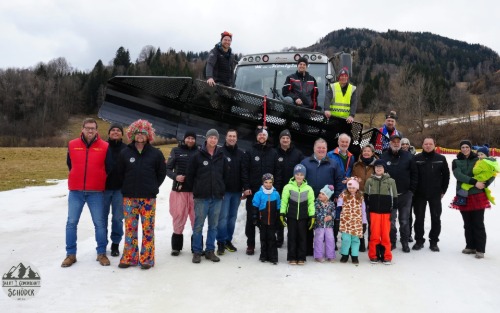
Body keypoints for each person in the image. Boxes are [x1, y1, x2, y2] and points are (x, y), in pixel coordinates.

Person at [116, 119, 167, 269]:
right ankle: (129, 258)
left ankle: (146, 258)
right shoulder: (125, 153)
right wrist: (126, 187)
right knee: (130, 228)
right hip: (129, 198)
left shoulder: (156, 154)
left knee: (148, 229)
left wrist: (153, 187)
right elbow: (120, 173)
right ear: (132, 134)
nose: (140, 136)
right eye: (137, 133)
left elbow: (161, 173)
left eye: (143, 133)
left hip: (148, 199)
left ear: (148, 135)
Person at [61, 118, 111, 268]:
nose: (90, 131)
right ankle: (71, 254)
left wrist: (98, 178)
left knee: (100, 224)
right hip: (76, 191)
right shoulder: (72, 145)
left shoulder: (105, 146)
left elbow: (108, 167)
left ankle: (101, 253)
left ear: (97, 130)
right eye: (88, 128)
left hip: (96, 192)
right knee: (71, 223)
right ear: (82, 129)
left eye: (93, 128)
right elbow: (70, 164)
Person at [187, 129, 228, 264]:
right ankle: (197, 251)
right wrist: (197, 191)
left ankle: (210, 250)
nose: (213, 140)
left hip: (216, 197)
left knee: (213, 226)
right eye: (211, 137)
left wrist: (221, 191)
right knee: (198, 225)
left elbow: (225, 176)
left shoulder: (221, 156)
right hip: (201, 198)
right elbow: (190, 175)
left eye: (215, 138)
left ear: (218, 140)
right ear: (206, 139)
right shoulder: (197, 155)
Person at [450, 140, 494, 259]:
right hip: (462, 194)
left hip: (477, 195)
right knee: (467, 223)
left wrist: (484, 184)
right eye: (462, 147)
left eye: (467, 147)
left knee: (478, 222)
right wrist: (475, 182)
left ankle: (480, 248)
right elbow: (458, 175)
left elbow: (491, 172)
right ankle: (470, 246)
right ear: (460, 149)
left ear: (470, 148)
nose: (465, 149)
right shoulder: (456, 161)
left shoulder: (478, 159)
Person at [301, 138, 344, 255]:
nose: (321, 150)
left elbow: (339, 180)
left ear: (326, 149)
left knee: (327, 223)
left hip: (327, 201)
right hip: (309, 199)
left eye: (323, 148)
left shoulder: (333, 164)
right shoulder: (305, 163)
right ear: (314, 148)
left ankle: (328, 248)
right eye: (319, 148)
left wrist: (337, 195)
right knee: (309, 222)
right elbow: (299, 180)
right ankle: (308, 248)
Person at [244, 127, 282, 255]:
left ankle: (268, 244)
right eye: (259, 134)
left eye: (264, 134)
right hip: (254, 192)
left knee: (269, 219)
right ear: (256, 137)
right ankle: (250, 244)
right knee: (251, 218)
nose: (261, 136)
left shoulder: (273, 152)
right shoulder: (250, 151)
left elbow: (278, 171)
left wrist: (275, 188)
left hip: (269, 192)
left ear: (267, 137)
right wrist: (246, 187)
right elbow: (245, 171)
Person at [380, 134, 417, 253]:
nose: (396, 143)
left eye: (398, 142)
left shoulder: (409, 156)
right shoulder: (384, 156)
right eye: (393, 142)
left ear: (401, 143)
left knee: (404, 220)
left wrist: (411, 190)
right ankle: (392, 241)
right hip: (389, 195)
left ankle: (405, 242)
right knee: (391, 220)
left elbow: (414, 174)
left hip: (405, 194)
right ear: (390, 143)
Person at [412, 137, 450, 252]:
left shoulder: (441, 158)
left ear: (434, 145)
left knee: (436, 218)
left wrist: (443, 190)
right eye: (426, 144)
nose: (428, 146)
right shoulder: (416, 158)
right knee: (419, 218)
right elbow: (413, 176)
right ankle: (419, 240)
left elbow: (446, 176)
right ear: (422, 145)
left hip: (435, 194)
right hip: (419, 194)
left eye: (430, 144)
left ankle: (434, 241)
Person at [165, 130, 199, 256]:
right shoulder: (176, 151)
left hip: (195, 191)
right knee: (179, 216)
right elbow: (167, 169)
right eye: (188, 138)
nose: (190, 140)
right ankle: (176, 247)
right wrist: (175, 176)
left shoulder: (199, 152)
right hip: (179, 190)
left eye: (192, 138)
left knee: (196, 218)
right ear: (184, 139)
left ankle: (196, 247)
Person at [217, 129, 249, 255]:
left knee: (232, 218)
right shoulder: (220, 152)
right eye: (229, 136)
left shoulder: (241, 154)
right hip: (224, 192)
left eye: (234, 136)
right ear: (226, 138)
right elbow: (217, 173)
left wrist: (244, 188)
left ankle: (228, 241)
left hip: (236, 192)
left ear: (236, 138)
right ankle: (220, 242)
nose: (231, 138)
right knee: (223, 218)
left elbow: (244, 172)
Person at [364, 159, 398, 265]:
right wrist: (367, 211)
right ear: (374, 169)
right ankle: (373, 255)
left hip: (386, 212)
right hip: (374, 212)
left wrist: (393, 211)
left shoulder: (391, 181)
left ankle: (386, 256)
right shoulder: (370, 181)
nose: (379, 169)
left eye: (381, 167)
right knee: (374, 234)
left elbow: (395, 197)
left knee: (385, 235)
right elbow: (366, 197)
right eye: (377, 167)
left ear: (384, 169)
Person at [280, 164, 315, 265]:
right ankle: (292, 257)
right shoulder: (288, 187)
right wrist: (282, 213)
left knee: (302, 237)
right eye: (297, 174)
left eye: (301, 174)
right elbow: (284, 201)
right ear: (294, 175)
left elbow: (311, 203)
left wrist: (312, 216)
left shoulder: (308, 188)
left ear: (304, 176)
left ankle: (301, 257)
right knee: (292, 236)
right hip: (291, 216)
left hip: (303, 217)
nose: (299, 177)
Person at [327, 133, 356, 250]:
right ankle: (332, 241)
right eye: (342, 142)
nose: (344, 144)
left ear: (349, 144)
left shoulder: (351, 156)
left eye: (346, 142)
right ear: (338, 142)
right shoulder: (330, 154)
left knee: (344, 216)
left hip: (346, 190)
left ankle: (345, 241)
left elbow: (351, 171)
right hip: (334, 189)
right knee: (333, 215)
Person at [276, 129, 304, 247]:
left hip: (293, 190)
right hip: (279, 188)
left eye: (287, 138)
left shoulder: (297, 154)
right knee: (280, 214)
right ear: (280, 139)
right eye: (283, 138)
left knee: (292, 215)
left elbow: (302, 170)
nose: (285, 140)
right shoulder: (274, 153)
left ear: (290, 140)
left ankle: (291, 238)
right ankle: (280, 238)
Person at [103, 123, 127, 257]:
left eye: (118, 130)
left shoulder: (127, 149)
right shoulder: (103, 147)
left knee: (118, 218)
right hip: (103, 189)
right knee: (102, 219)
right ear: (109, 133)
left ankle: (115, 244)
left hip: (120, 189)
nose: (116, 132)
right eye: (113, 130)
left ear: (122, 134)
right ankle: (102, 244)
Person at [351, 143, 378, 252]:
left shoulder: (377, 165)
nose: (366, 153)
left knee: (371, 219)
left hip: (373, 195)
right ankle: (361, 242)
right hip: (359, 195)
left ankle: (371, 242)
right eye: (364, 151)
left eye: (368, 151)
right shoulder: (356, 165)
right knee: (361, 220)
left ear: (372, 153)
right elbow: (352, 179)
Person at [252, 173, 281, 264]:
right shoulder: (259, 194)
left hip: (272, 220)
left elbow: (278, 206)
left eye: (270, 182)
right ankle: (263, 255)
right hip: (263, 220)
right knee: (263, 238)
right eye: (266, 182)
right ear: (263, 183)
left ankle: (273, 256)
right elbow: (255, 206)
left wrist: (279, 218)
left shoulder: (276, 194)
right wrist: (255, 217)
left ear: (272, 182)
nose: (268, 184)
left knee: (272, 238)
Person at [337, 178, 367, 265]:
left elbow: (363, 210)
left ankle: (354, 256)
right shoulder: (343, 195)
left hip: (357, 222)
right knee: (346, 239)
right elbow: (339, 206)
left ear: (357, 188)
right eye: (349, 187)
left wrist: (364, 222)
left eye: (353, 188)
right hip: (346, 222)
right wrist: (338, 218)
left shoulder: (360, 196)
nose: (351, 189)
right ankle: (345, 255)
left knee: (355, 240)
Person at [313, 185, 336, 263]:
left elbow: (334, 212)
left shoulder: (331, 204)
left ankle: (330, 255)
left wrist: (331, 216)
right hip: (319, 225)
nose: (320, 195)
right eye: (320, 193)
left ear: (327, 196)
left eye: (323, 194)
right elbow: (315, 212)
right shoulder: (317, 203)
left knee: (330, 239)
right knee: (318, 240)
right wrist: (323, 217)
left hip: (329, 225)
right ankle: (318, 255)